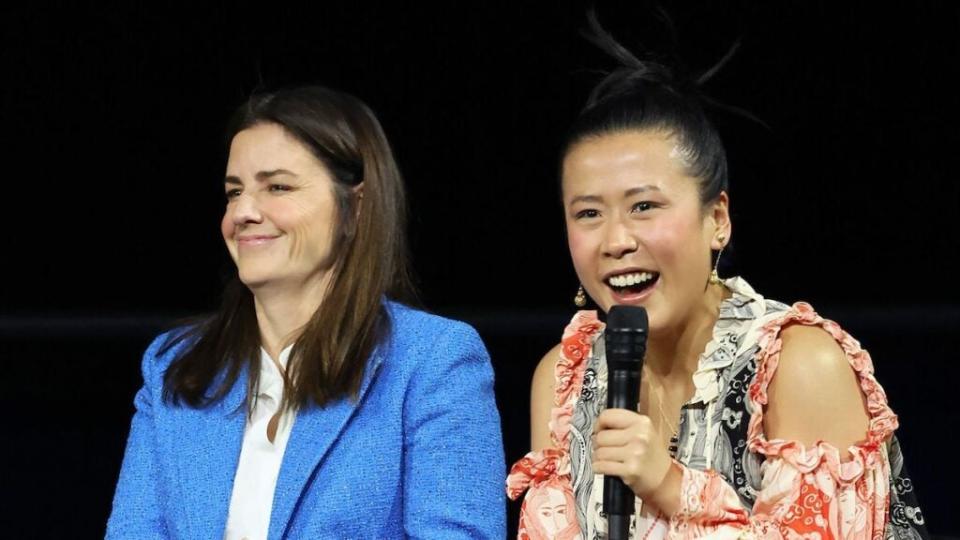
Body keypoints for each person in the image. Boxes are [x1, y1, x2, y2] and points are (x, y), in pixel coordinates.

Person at [506, 18, 928, 540]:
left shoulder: (798, 367)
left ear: (718, 220)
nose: (615, 241)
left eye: (644, 206)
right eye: (588, 214)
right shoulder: (566, 380)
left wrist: (669, 485)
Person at [107, 85, 506, 539]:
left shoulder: (433, 360)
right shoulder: (175, 366)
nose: (244, 212)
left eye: (277, 186)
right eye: (233, 192)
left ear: (355, 208)